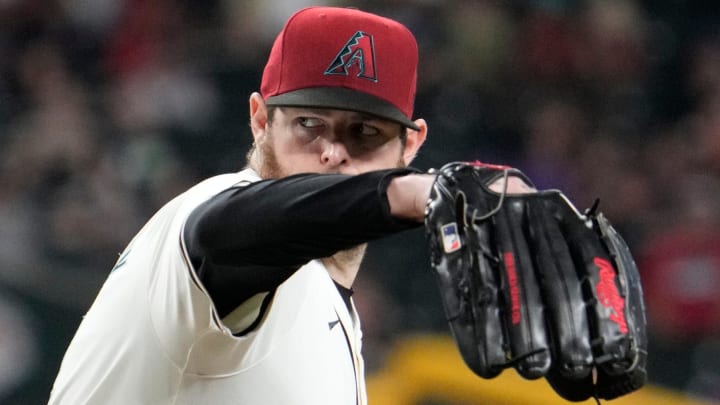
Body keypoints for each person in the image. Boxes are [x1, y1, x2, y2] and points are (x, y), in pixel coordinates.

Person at [47, 6, 574, 405]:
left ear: (411, 145)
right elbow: (239, 228)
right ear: (259, 119)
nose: (333, 151)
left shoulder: (329, 305)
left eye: (365, 132)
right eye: (309, 124)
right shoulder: (206, 219)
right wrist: (420, 191)